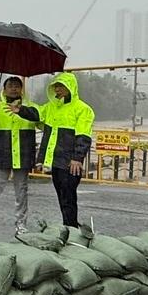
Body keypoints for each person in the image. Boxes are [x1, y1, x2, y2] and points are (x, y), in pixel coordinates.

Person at [0, 76, 41, 243]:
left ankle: (21, 224)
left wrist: (22, 110)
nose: (13, 89)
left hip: (23, 156)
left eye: (17, 86)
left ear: (21, 89)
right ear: (4, 89)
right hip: (2, 155)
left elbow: (40, 119)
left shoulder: (31, 107)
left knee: (21, 192)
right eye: (10, 86)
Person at [38, 71, 95, 228]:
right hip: (56, 161)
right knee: (62, 196)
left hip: (70, 162)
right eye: (55, 86)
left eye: (61, 86)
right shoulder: (52, 107)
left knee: (68, 197)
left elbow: (83, 135)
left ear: (70, 87)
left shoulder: (82, 109)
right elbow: (36, 113)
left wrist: (77, 158)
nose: (57, 90)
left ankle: (71, 227)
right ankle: (69, 225)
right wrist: (20, 109)